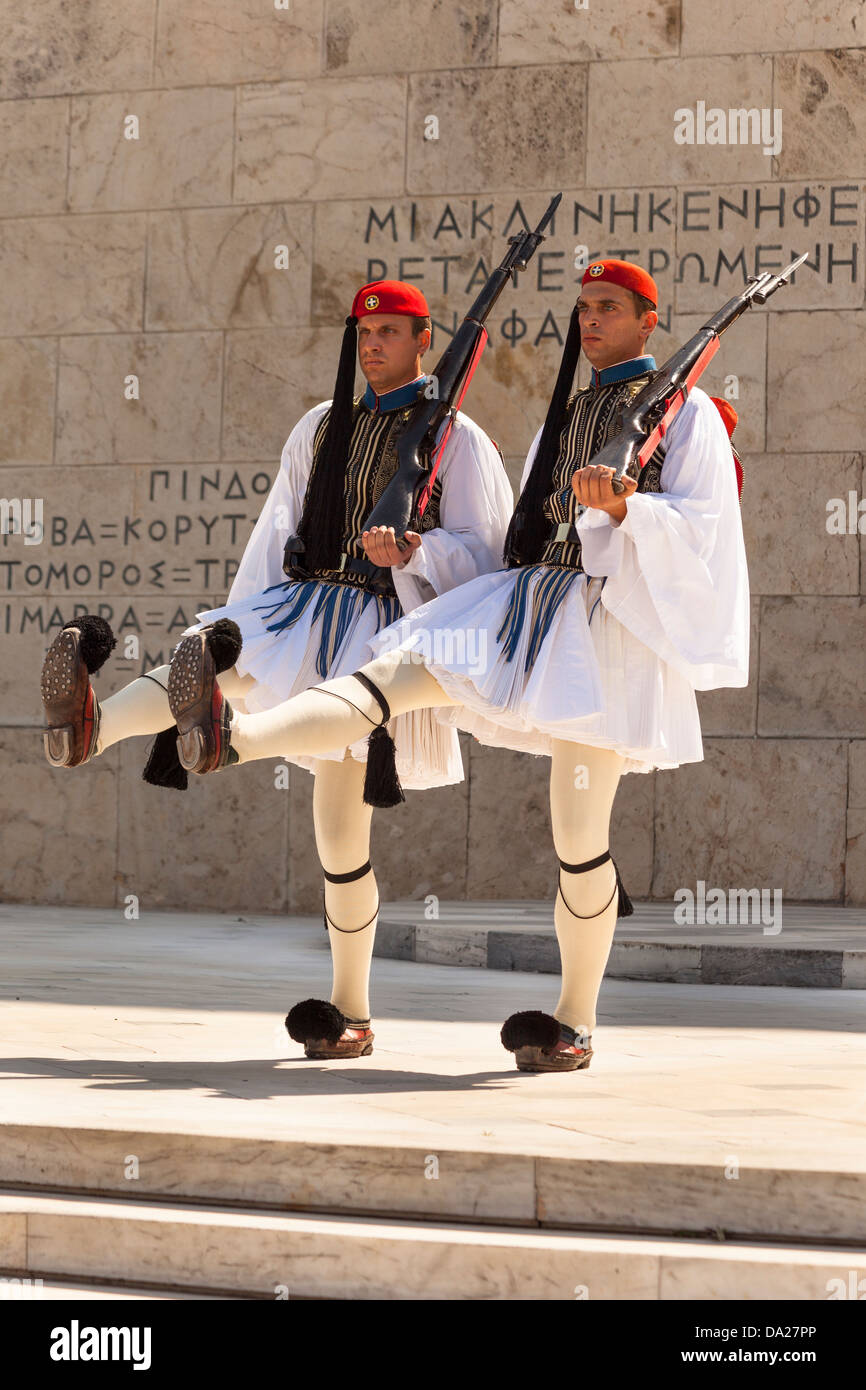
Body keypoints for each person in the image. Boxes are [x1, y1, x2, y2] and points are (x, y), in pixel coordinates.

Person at [164, 257, 750, 1075]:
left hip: (604, 632)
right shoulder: (573, 411)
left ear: (651, 321)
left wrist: (628, 508)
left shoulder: (686, 418)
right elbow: (523, 523)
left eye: (608, 309)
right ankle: (235, 740)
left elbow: (707, 532)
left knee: (578, 836)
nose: (590, 322)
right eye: (583, 309)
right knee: (389, 674)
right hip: (525, 602)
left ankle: (574, 1022)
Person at [40, 280, 513, 1059]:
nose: (372, 346)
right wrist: (238, 623)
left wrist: (418, 550)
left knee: (338, 838)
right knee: (200, 663)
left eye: (390, 333)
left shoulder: (459, 438)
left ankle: (350, 1010)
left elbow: (486, 554)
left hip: (379, 628)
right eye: (364, 333)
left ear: (425, 343)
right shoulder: (322, 425)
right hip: (301, 605)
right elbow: (276, 530)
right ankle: (92, 728)